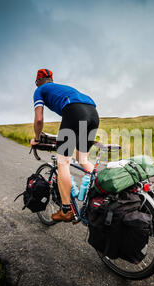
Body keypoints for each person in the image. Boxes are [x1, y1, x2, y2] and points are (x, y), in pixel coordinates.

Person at [30, 68, 99, 222]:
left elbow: (39, 119)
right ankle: (100, 193)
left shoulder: (40, 90)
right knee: (83, 159)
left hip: (74, 111)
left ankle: (66, 210)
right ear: (52, 80)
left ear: (37, 82)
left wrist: (36, 138)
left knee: (63, 163)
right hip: (93, 112)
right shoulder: (62, 88)